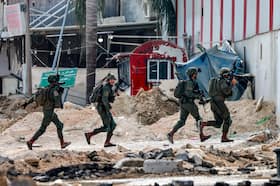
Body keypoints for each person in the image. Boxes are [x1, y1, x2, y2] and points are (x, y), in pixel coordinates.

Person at [26, 75, 71, 150]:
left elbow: (34, 96)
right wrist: (59, 91)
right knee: (42, 129)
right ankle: (30, 141)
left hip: (47, 110)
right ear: (54, 81)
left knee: (60, 125)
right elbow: (56, 99)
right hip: (49, 112)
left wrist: (26, 103)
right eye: (56, 80)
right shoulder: (53, 90)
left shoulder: (45, 88)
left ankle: (62, 143)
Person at [167, 67, 211, 144]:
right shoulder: (190, 83)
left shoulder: (191, 82)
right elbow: (189, 93)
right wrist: (198, 96)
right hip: (188, 103)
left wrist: (199, 96)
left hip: (184, 103)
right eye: (196, 74)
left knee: (182, 121)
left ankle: (171, 134)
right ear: (193, 74)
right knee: (198, 119)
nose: (197, 75)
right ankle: (202, 136)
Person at [199, 67, 237, 142]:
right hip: (219, 103)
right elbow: (226, 91)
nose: (228, 77)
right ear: (225, 75)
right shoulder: (222, 81)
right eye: (227, 75)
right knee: (227, 119)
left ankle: (203, 124)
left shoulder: (215, 81)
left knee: (218, 123)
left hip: (213, 103)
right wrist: (232, 84)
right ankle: (224, 137)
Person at [85, 74, 118, 147]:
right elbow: (104, 100)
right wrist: (109, 109)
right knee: (107, 127)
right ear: (108, 80)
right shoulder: (106, 87)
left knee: (113, 125)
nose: (113, 81)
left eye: (114, 80)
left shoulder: (110, 87)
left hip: (104, 107)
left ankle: (107, 142)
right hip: (102, 108)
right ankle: (89, 134)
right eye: (111, 80)